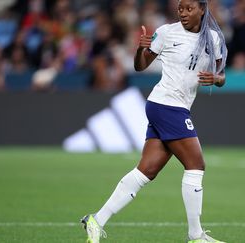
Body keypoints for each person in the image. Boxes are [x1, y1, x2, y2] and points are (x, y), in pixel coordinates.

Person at [81, 0, 228, 242]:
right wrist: (141, 49)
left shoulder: (212, 39)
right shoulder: (167, 32)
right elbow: (140, 66)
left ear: (202, 9)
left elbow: (222, 76)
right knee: (196, 165)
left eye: (189, 8)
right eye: (180, 8)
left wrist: (216, 79)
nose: (183, 13)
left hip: (175, 106)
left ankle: (96, 219)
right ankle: (196, 236)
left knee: (146, 171)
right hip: (166, 104)